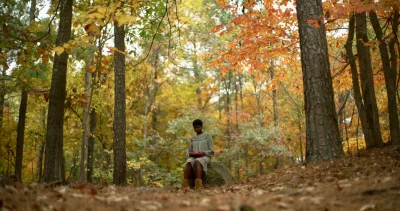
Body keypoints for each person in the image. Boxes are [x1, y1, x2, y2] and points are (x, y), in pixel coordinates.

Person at [181, 119, 214, 189]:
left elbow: (211, 150)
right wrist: (191, 154)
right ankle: (184, 186)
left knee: (197, 162)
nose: (196, 129)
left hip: (205, 156)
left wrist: (203, 153)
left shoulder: (207, 136)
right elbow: (189, 151)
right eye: (195, 127)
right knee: (189, 162)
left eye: (198, 127)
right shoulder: (192, 138)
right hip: (194, 156)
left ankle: (198, 186)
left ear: (202, 127)